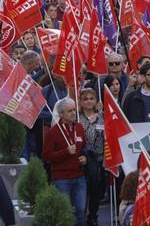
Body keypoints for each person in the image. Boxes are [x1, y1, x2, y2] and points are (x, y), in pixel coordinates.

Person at [43, 98, 87, 226]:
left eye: (74, 110)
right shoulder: (53, 132)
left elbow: (84, 147)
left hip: (79, 176)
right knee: (65, 212)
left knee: (80, 210)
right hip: (61, 178)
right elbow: (46, 156)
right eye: (70, 111)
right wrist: (65, 151)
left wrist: (85, 157)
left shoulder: (79, 127)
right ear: (61, 114)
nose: (74, 113)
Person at [78, 88, 105, 226]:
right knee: (84, 191)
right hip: (83, 161)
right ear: (81, 102)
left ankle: (93, 216)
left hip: (100, 160)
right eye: (85, 99)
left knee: (97, 191)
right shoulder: (77, 118)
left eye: (91, 98)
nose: (89, 101)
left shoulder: (102, 116)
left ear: (95, 100)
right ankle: (81, 217)